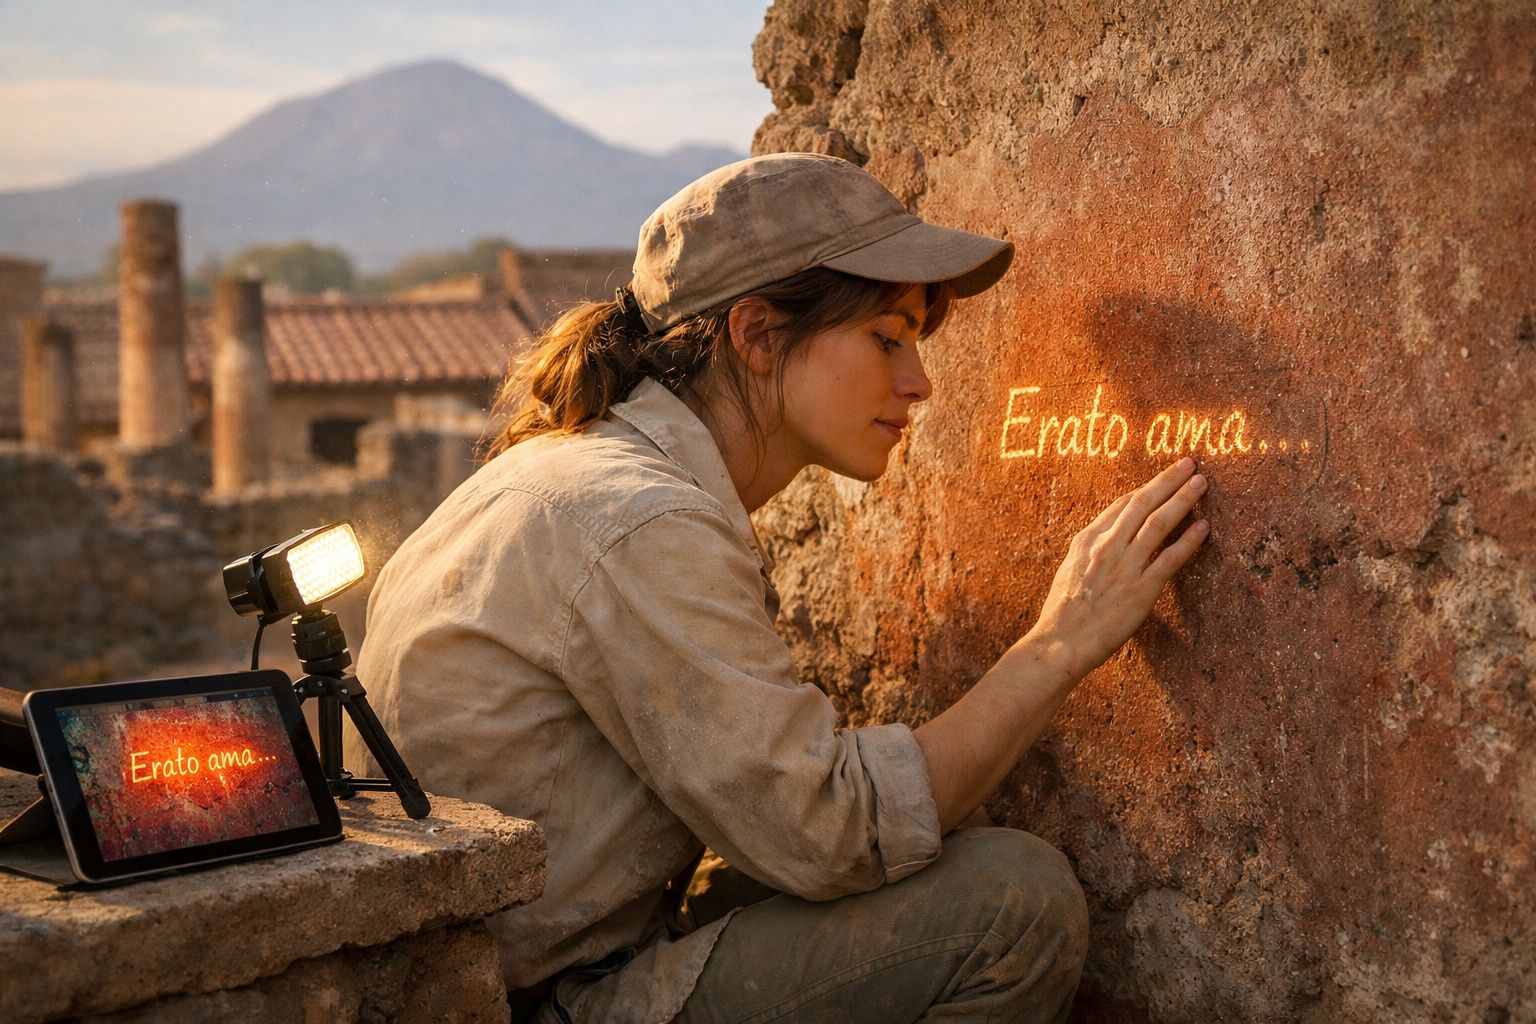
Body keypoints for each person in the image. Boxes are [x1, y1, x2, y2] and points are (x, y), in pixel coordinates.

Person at [346, 153, 1210, 1023]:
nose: (919, 382)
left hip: (524, 967)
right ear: (757, 336)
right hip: (531, 1002)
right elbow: (830, 830)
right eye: (886, 337)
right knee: (1013, 905)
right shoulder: (641, 519)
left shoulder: (571, 474)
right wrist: (1061, 641)